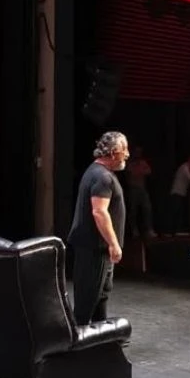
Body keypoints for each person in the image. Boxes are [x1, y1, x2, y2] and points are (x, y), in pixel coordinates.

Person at [67, 131, 128, 325]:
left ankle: (100, 339)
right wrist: (114, 244)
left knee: (100, 298)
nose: (127, 154)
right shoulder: (102, 177)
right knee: (87, 301)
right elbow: (99, 212)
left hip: (98, 249)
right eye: (124, 149)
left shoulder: (97, 171)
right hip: (95, 248)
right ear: (113, 152)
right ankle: (77, 341)